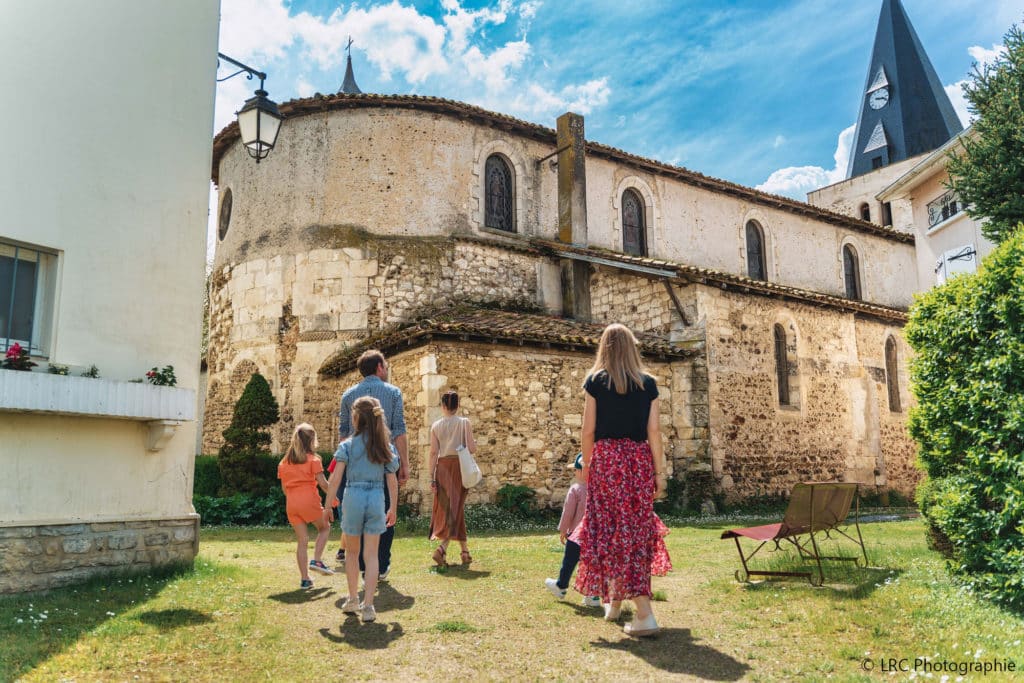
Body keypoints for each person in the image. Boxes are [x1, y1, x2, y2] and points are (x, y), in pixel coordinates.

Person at [572, 323, 672, 637]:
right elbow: (654, 432)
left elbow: (587, 431)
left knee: (611, 530)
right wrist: (659, 473)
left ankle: (644, 613)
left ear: (605, 348)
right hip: (639, 462)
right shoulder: (649, 384)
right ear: (632, 348)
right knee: (633, 530)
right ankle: (614, 602)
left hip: (607, 461)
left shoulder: (596, 382)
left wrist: (588, 466)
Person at [323, 397, 400, 622]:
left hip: (353, 497)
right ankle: (368, 606)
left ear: (355, 418)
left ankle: (352, 599)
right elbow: (392, 481)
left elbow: (336, 478)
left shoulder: (347, 445)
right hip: (376, 498)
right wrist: (393, 507)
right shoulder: (385, 446)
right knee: (372, 555)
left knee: (352, 553)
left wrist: (327, 505)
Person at [335, 350, 408, 580]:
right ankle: (381, 563)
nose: (385, 370)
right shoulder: (394, 393)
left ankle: (364, 564)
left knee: (358, 513)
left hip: (355, 463)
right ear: (379, 367)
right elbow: (399, 431)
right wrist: (404, 464)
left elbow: (343, 434)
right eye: (385, 366)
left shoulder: (348, 396)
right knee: (386, 511)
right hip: (384, 459)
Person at [277, 423, 335, 589]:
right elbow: (324, 484)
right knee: (324, 528)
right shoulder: (313, 460)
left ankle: (305, 579)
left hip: (292, 503)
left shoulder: (284, 462)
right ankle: (317, 560)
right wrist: (334, 498)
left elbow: (284, 488)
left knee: (302, 540)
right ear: (312, 440)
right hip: (308, 500)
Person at [544, 453, 601, 608]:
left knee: (569, 562)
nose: (574, 473)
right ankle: (593, 596)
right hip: (595, 536)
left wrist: (563, 530)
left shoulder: (576, 489)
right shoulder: (600, 491)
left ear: (581, 471)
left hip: (576, 536)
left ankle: (561, 586)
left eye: (576, 469)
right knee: (593, 565)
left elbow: (568, 512)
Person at [428, 390, 475, 566]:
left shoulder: (435, 426)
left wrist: (431, 477)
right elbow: (472, 448)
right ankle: (442, 549)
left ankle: (465, 552)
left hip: (442, 468)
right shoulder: (464, 423)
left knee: (455, 506)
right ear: (457, 405)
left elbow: (433, 453)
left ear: (443, 406)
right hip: (458, 467)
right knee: (456, 507)